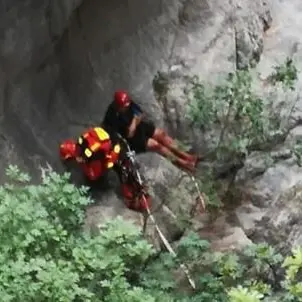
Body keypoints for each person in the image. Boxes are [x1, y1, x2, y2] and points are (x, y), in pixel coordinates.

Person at [102, 90, 202, 173]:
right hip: (132, 140)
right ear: (118, 106)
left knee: (161, 135)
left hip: (138, 126)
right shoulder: (111, 116)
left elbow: (139, 113)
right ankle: (182, 163)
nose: (127, 106)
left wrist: (134, 122)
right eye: (124, 106)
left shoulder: (128, 103)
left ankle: (187, 156)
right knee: (157, 145)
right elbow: (122, 135)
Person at [59, 126, 151, 212]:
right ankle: (140, 196)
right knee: (129, 176)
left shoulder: (85, 153)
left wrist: (88, 167)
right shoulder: (84, 142)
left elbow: (94, 175)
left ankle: (139, 204)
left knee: (127, 180)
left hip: (115, 157)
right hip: (114, 147)